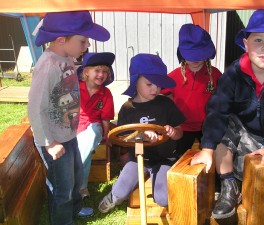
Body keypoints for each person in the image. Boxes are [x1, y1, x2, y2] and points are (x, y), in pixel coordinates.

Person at [191, 9, 264, 219]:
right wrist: (207, 148)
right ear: (246, 43)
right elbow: (217, 110)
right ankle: (228, 184)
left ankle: (242, 184)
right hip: (236, 133)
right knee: (225, 120)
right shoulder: (233, 74)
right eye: (259, 39)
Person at [28, 11, 110, 225]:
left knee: (74, 177)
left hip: (68, 134)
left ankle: (74, 208)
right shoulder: (48, 66)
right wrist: (49, 143)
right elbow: (36, 108)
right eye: (83, 41)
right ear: (61, 39)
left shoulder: (66, 58)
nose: (87, 46)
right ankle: (62, 221)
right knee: (62, 186)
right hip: (53, 139)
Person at [98, 53, 185, 213]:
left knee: (162, 198)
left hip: (164, 159)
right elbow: (122, 137)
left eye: (158, 85)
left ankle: (177, 203)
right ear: (135, 81)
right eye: (149, 83)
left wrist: (174, 132)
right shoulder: (127, 109)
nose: (155, 89)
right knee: (121, 190)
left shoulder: (165, 104)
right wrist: (141, 136)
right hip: (138, 158)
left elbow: (180, 131)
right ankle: (113, 197)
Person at [161, 23, 222, 156]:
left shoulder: (216, 75)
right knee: (178, 161)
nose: (195, 60)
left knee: (215, 161)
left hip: (208, 128)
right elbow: (161, 97)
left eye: (199, 54)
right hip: (182, 128)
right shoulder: (173, 77)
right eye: (191, 54)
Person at [76, 52, 115, 199]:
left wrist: (106, 135)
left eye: (105, 71)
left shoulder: (106, 93)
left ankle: (77, 185)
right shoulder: (75, 88)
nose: (101, 74)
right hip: (74, 127)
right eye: (97, 70)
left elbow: (105, 118)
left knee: (91, 135)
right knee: (83, 153)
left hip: (94, 125)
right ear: (86, 72)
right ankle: (82, 187)